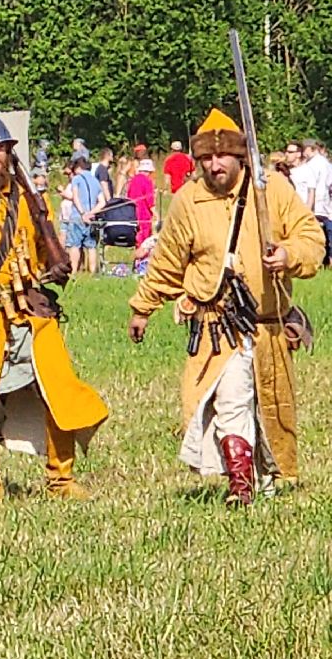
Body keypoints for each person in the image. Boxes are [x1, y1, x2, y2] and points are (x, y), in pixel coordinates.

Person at [128, 109, 323, 503]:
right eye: (207, 159)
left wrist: (288, 253)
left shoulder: (272, 191)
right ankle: (240, 486)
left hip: (269, 325)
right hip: (219, 327)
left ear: (240, 156)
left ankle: (264, 476)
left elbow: (312, 238)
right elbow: (167, 261)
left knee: (268, 411)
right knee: (231, 399)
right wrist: (142, 307)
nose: (215, 165)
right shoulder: (188, 201)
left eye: (223, 157)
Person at [0, 110, 108, 501]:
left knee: (58, 391)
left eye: (0, 148)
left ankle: (60, 480)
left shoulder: (29, 196)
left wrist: (56, 259)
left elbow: (44, 252)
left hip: (30, 312)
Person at [289, 138, 332, 264]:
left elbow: (313, 188)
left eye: (305, 150)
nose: (304, 153)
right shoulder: (325, 163)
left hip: (316, 203)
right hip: (323, 204)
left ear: (311, 149)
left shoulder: (313, 165)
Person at [64, 158, 101, 274]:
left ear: (78, 168)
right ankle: (92, 272)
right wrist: (91, 213)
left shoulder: (77, 179)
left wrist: (83, 213)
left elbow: (75, 197)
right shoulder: (96, 181)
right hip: (92, 219)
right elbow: (102, 202)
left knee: (74, 245)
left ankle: (73, 272)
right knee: (91, 246)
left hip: (77, 216)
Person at [127, 158, 157, 247]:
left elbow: (128, 195)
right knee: (145, 241)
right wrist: (156, 214)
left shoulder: (132, 180)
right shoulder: (147, 181)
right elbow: (149, 200)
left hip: (133, 213)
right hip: (144, 214)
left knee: (137, 238)